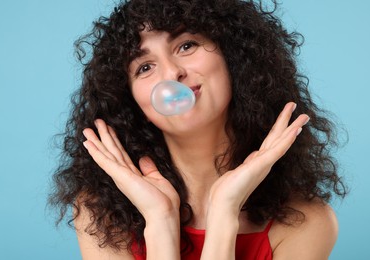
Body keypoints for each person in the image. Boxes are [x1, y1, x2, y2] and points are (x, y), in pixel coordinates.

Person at [49, 0, 347, 259]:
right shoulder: (100, 213)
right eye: (144, 67)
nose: (171, 73)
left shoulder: (307, 223)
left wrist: (224, 212)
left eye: (186, 45)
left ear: (234, 57)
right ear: (132, 104)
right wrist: (160, 221)